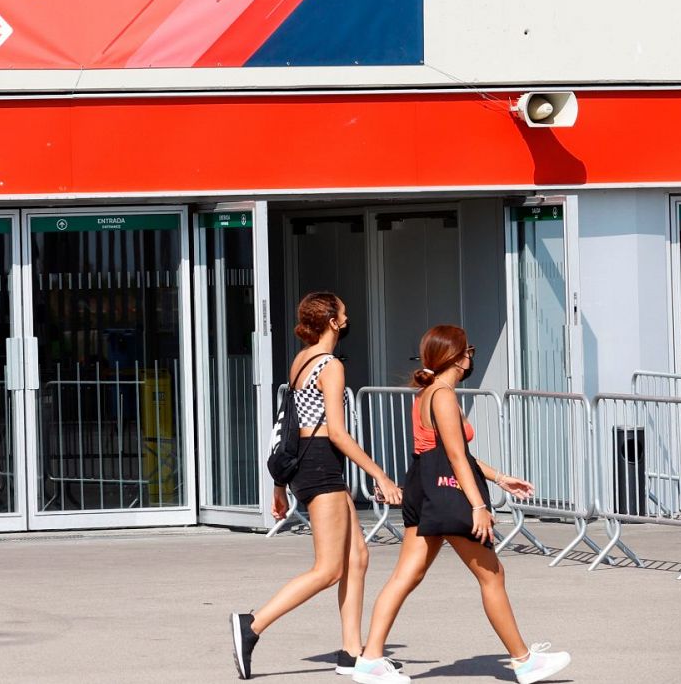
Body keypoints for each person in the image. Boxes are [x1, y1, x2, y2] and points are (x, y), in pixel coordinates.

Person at [351, 326, 570, 684]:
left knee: (407, 575)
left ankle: (371, 659)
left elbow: (450, 453)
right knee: (492, 575)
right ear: (457, 357)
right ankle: (523, 661)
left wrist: (499, 478)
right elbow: (454, 455)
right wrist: (478, 505)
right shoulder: (443, 396)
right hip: (447, 492)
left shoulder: (427, 393)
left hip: (423, 486)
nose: (472, 355)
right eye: (469, 349)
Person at [231, 292, 403, 680]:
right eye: (343, 311)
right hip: (321, 463)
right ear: (332, 320)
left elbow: (286, 424)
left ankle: (350, 651)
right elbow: (338, 434)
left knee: (357, 557)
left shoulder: (301, 359)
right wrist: (381, 475)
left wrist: (279, 484)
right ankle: (252, 624)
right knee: (328, 569)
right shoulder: (330, 365)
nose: (348, 315)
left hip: (310, 463)